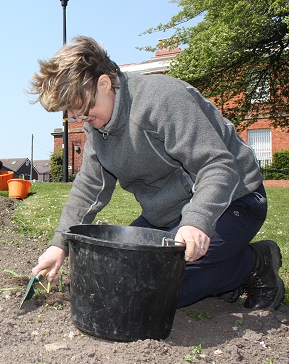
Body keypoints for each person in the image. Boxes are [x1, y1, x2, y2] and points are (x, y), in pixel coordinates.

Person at [28, 35, 284, 310]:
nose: (81, 119)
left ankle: (255, 262)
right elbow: (88, 188)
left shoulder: (161, 100)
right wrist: (60, 244)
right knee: (113, 276)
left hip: (234, 201)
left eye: (85, 109)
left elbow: (218, 166)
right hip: (167, 217)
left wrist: (196, 222)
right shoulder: (98, 127)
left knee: (153, 289)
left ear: (104, 83)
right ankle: (220, 273)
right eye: (74, 114)